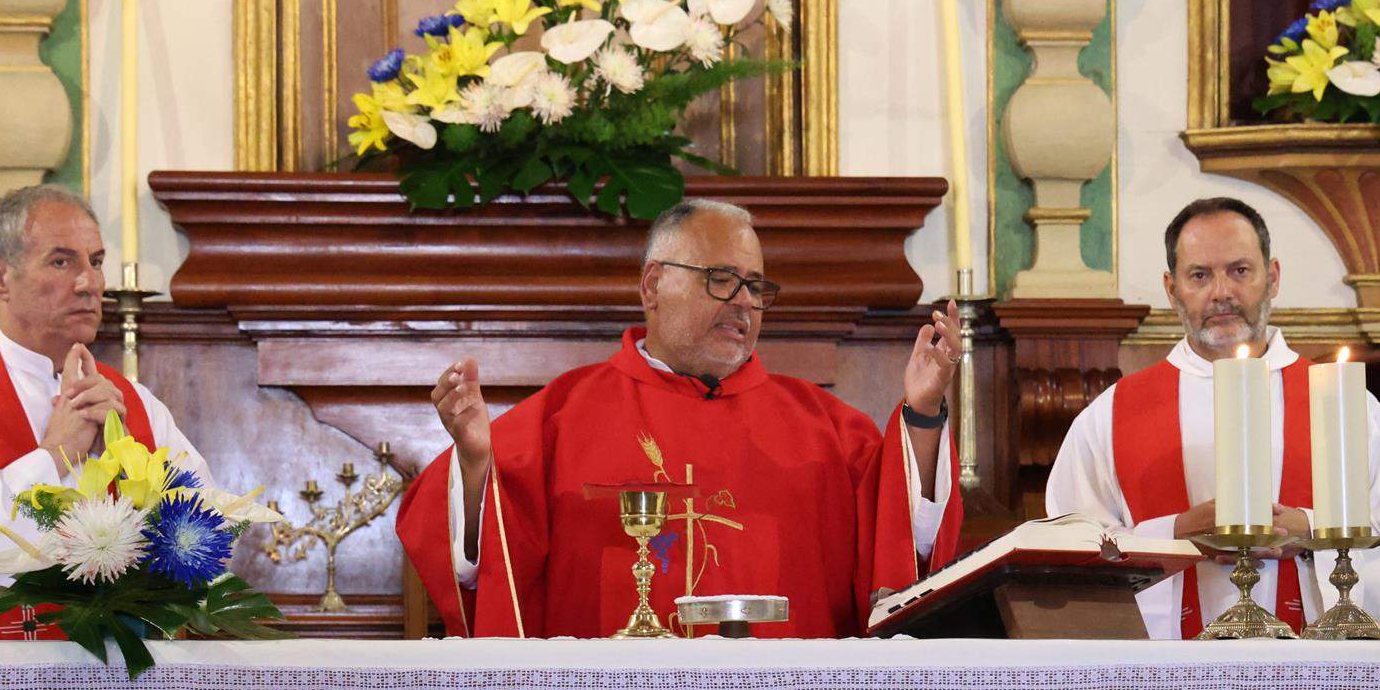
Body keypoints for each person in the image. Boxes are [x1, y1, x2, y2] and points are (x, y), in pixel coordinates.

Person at [396, 197, 965, 638]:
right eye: (721, 279)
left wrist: (921, 412)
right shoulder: (559, 420)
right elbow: (476, 567)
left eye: (756, 287)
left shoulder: (831, 432)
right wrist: (475, 466)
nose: (743, 302)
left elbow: (902, 555)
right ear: (653, 285)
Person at [1046, 196, 1380, 639]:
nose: (1222, 292)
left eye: (1240, 271)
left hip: (1309, 678)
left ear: (1272, 278)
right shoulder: (1112, 414)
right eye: (1200, 275)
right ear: (1172, 289)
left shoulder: (1342, 400)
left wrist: (1310, 532)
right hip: (1169, 680)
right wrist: (1174, 534)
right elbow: (1068, 546)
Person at [0, 184, 210, 640]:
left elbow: (206, 540)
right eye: (62, 262)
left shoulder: (134, 402)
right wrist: (53, 456)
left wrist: (126, 464)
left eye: (97, 261)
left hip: (112, 686)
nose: (89, 283)